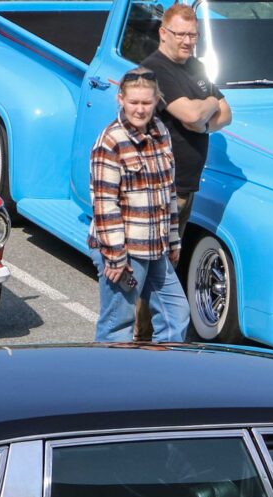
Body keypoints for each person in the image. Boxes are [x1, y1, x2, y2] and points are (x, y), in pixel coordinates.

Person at [133, 1, 232, 340]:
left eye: (194, 35)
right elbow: (191, 114)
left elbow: (226, 113)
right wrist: (207, 107)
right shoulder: (154, 71)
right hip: (161, 188)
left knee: (167, 263)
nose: (188, 41)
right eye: (181, 34)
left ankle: (151, 337)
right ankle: (139, 337)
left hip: (186, 186)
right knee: (151, 266)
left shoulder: (197, 66)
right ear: (163, 33)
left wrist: (203, 119)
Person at [88, 67, 190, 343]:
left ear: (157, 100)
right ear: (120, 99)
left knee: (176, 313)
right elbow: (104, 204)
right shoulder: (110, 142)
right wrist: (115, 257)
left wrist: (173, 241)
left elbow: (168, 192)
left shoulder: (161, 132)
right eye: (134, 102)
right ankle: (108, 370)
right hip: (125, 256)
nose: (140, 109)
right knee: (118, 323)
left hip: (155, 249)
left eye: (147, 102)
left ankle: (163, 367)